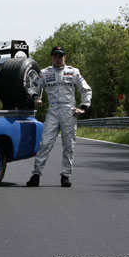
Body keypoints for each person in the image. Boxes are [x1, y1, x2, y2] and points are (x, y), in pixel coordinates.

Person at [26, 46, 92, 188]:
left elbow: (86, 89)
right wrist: (36, 97)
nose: (58, 58)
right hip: (53, 111)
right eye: (55, 56)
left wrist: (83, 108)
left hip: (69, 111)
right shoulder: (44, 73)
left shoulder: (73, 72)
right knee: (45, 143)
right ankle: (36, 175)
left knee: (68, 145)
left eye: (60, 56)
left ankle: (66, 176)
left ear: (64, 57)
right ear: (52, 58)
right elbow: (32, 87)